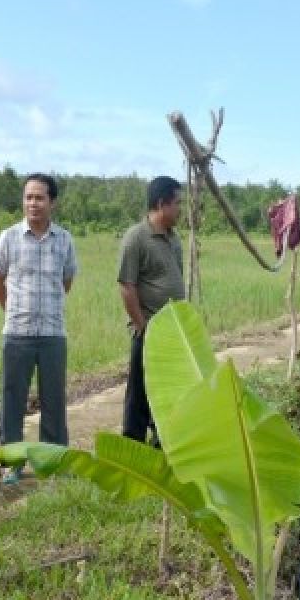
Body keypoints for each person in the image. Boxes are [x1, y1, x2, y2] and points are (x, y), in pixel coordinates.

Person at [0, 173, 77, 483]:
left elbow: (66, 281)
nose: (33, 203)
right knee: (13, 398)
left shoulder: (64, 239)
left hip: (53, 333)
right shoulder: (9, 237)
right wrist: (14, 310)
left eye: (39, 198)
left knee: (54, 399)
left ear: (52, 202)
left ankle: (51, 462)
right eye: (28, 197)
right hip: (17, 333)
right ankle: (10, 463)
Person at [118, 175, 185, 444]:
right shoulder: (136, 238)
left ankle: (162, 442)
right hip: (147, 331)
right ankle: (132, 444)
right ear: (161, 204)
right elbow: (126, 285)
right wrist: (142, 325)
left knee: (167, 389)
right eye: (177, 203)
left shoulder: (174, 238)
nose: (181, 209)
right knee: (140, 393)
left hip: (173, 331)